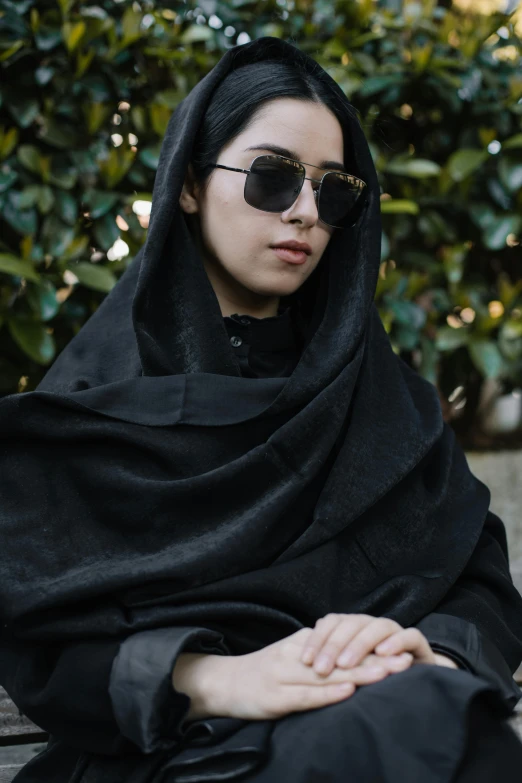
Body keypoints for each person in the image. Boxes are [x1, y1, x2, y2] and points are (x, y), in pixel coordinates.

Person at [1, 36, 522, 783]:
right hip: (172, 749)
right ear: (187, 183)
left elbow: (479, 580)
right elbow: (39, 631)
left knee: (440, 725)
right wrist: (219, 677)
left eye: (334, 189)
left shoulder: (375, 397)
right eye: (272, 178)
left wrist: (426, 649)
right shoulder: (98, 401)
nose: (307, 212)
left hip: (376, 715)